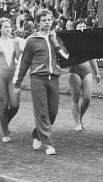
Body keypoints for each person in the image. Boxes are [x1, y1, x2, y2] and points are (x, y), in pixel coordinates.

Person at [14, 9, 69, 155]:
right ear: (38, 23)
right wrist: (17, 83)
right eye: (44, 20)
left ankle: (37, 134)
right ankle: (48, 144)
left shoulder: (56, 38)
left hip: (54, 78)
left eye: (49, 20)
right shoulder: (32, 40)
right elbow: (24, 62)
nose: (47, 23)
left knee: (53, 112)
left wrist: (56, 43)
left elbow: (66, 57)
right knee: (41, 112)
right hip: (38, 78)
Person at [0, 18, 24, 142]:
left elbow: (19, 59)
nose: (8, 29)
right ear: (0, 29)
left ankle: (4, 122)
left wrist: (20, 47)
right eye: (5, 27)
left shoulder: (14, 42)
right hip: (0, 77)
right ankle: (5, 132)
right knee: (4, 104)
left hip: (12, 77)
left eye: (9, 26)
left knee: (15, 105)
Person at [67, 20, 99, 131]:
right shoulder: (71, 39)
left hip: (87, 71)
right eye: (80, 25)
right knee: (76, 97)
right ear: (75, 27)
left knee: (87, 98)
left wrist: (97, 72)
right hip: (74, 71)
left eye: (84, 25)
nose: (82, 27)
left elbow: (92, 57)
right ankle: (77, 123)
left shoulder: (88, 41)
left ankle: (80, 117)